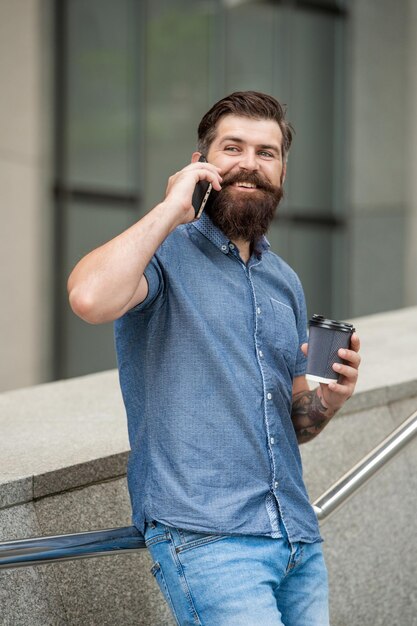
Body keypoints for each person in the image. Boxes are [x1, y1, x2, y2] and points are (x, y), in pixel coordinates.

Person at [68, 91, 361, 626]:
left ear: (282, 170)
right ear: (202, 162)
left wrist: (327, 401)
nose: (250, 162)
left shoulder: (285, 282)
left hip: (296, 538)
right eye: (233, 147)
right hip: (210, 541)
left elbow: (294, 423)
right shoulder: (162, 253)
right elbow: (89, 298)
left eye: (266, 152)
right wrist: (172, 208)